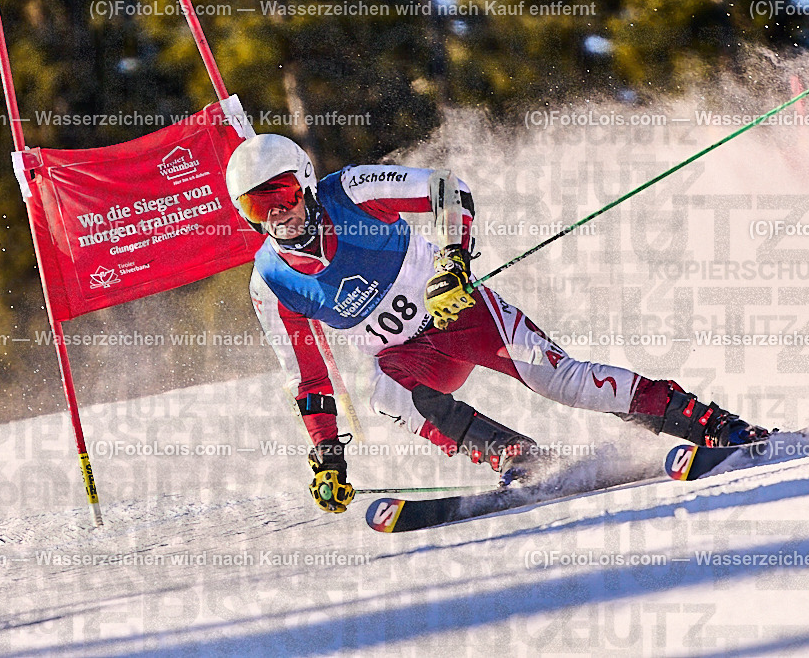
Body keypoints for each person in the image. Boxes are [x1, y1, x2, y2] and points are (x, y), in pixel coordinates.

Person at [225, 134, 771, 514]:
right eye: (256, 206)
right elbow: (310, 379)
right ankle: (519, 459)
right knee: (386, 395)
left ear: (303, 181)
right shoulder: (270, 281)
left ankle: (711, 424)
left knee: (561, 379)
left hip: (463, 315)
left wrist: (452, 263)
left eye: (280, 195)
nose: (276, 214)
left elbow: (447, 188)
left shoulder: (351, 192)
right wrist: (327, 455)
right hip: (409, 357)